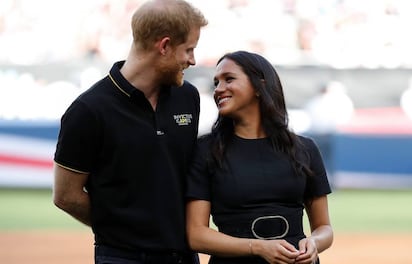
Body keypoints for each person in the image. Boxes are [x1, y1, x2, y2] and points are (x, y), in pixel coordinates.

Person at [52, 1, 208, 264]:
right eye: (189, 49)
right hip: (121, 258)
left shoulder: (188, 96)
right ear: (165, 46)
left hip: (184, 257)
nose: (192, 60)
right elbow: (66, 196)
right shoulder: (88, 110)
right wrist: (124, 230)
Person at [186, 51, 333, 264]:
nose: (218, 89)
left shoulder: (305, 149)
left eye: (229, 79)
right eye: (216, 82)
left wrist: (314, 243)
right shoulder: (205, 150)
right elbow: (196, 234)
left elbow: (324, 228)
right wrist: (257, 247)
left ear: (259, 86)